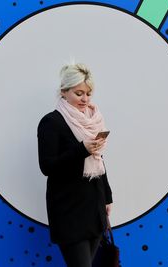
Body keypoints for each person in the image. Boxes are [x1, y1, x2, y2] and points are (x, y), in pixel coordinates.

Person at [37, 63, 113, 267]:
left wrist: (107, 196)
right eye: (79, 93)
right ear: (64, 91)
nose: (85, 99)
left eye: (88, 93)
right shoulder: (51, 122)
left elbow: (99, 160)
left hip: (94, 207)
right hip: (69, 210)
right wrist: (82, 149)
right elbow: (47, 166)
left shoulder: (94, 121)